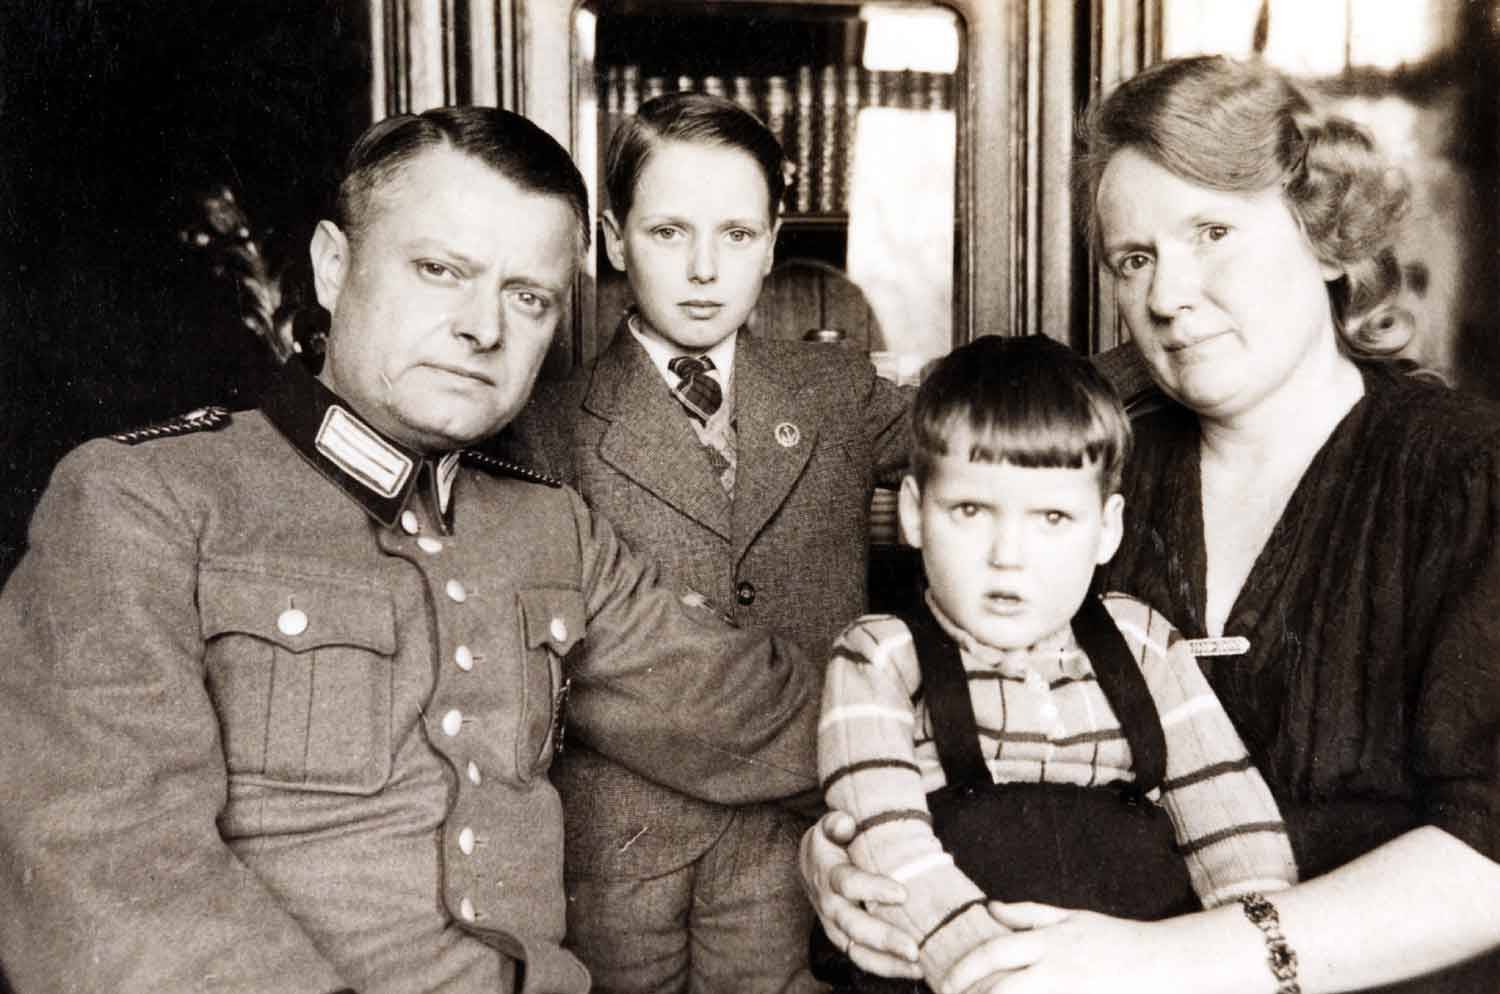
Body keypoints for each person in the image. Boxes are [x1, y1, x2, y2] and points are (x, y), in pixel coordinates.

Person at [0, 106, 825, 994]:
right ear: (333, 266)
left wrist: (919, 727)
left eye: (528, 296)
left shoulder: (551, 527)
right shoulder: (145, 500)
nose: (483, 328)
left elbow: (750, 712)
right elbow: (108, 877)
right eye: (440, 271)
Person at [801, 54, 1500, 994]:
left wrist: (1158, 962)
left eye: (1212, 232)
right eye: (1136, 259)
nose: (1166, 297)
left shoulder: (1464, 477)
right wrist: (834, 858)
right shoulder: (1090, 462)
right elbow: (927, 710)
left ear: (1326, 233)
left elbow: (1490, 852)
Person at [501, 91, 911, 994]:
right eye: (667, 232)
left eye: (736, 234)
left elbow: (991, 438)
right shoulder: (547, 426)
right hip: (621, 860)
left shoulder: (836, 391)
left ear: (772, 243)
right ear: (614, 240)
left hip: (806, 848)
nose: (702, 268)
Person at [817, 334, 1295, 993]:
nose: (1008, 555)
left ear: (1106, 528)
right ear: (913, 514)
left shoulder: (1143, 643)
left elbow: (1233, 826)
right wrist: (989, 969)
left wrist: (1242, 954)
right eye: (970, 510)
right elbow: (889, 846)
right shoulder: (880, 657)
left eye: (1052, 517)